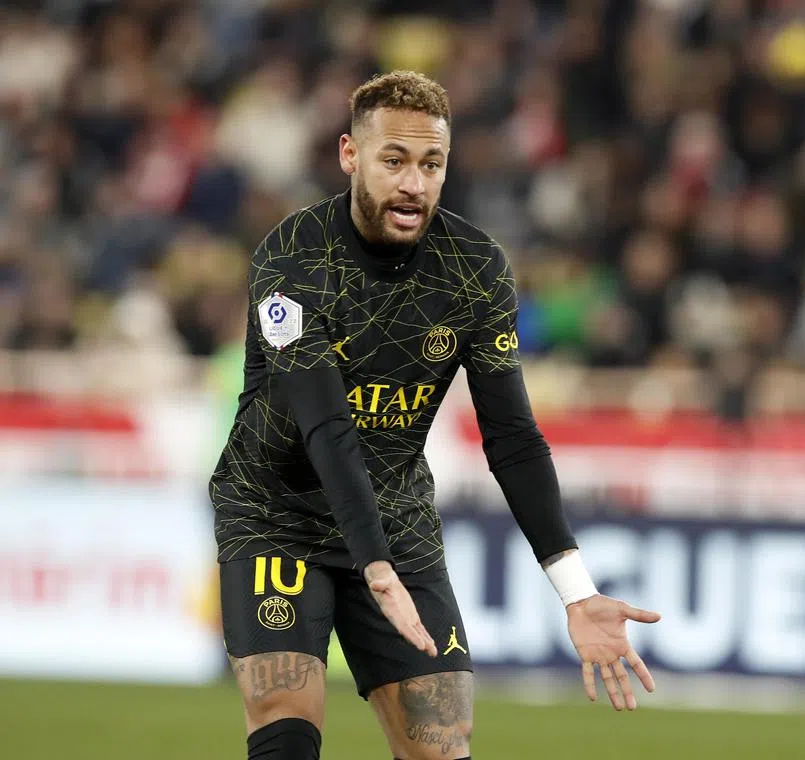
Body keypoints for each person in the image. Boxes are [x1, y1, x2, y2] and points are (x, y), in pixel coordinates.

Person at [209, 70, 660, 760]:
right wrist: (375, 570)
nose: (414, 184)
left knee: (440, 744)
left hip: (395, 514)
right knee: (285, 721)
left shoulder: (475, 268)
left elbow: (511, 436)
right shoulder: (293, 259)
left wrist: (577, 592)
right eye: (394, 160)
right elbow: (325, 427)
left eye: (432, 163)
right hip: (278, 511)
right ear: (349, 155)